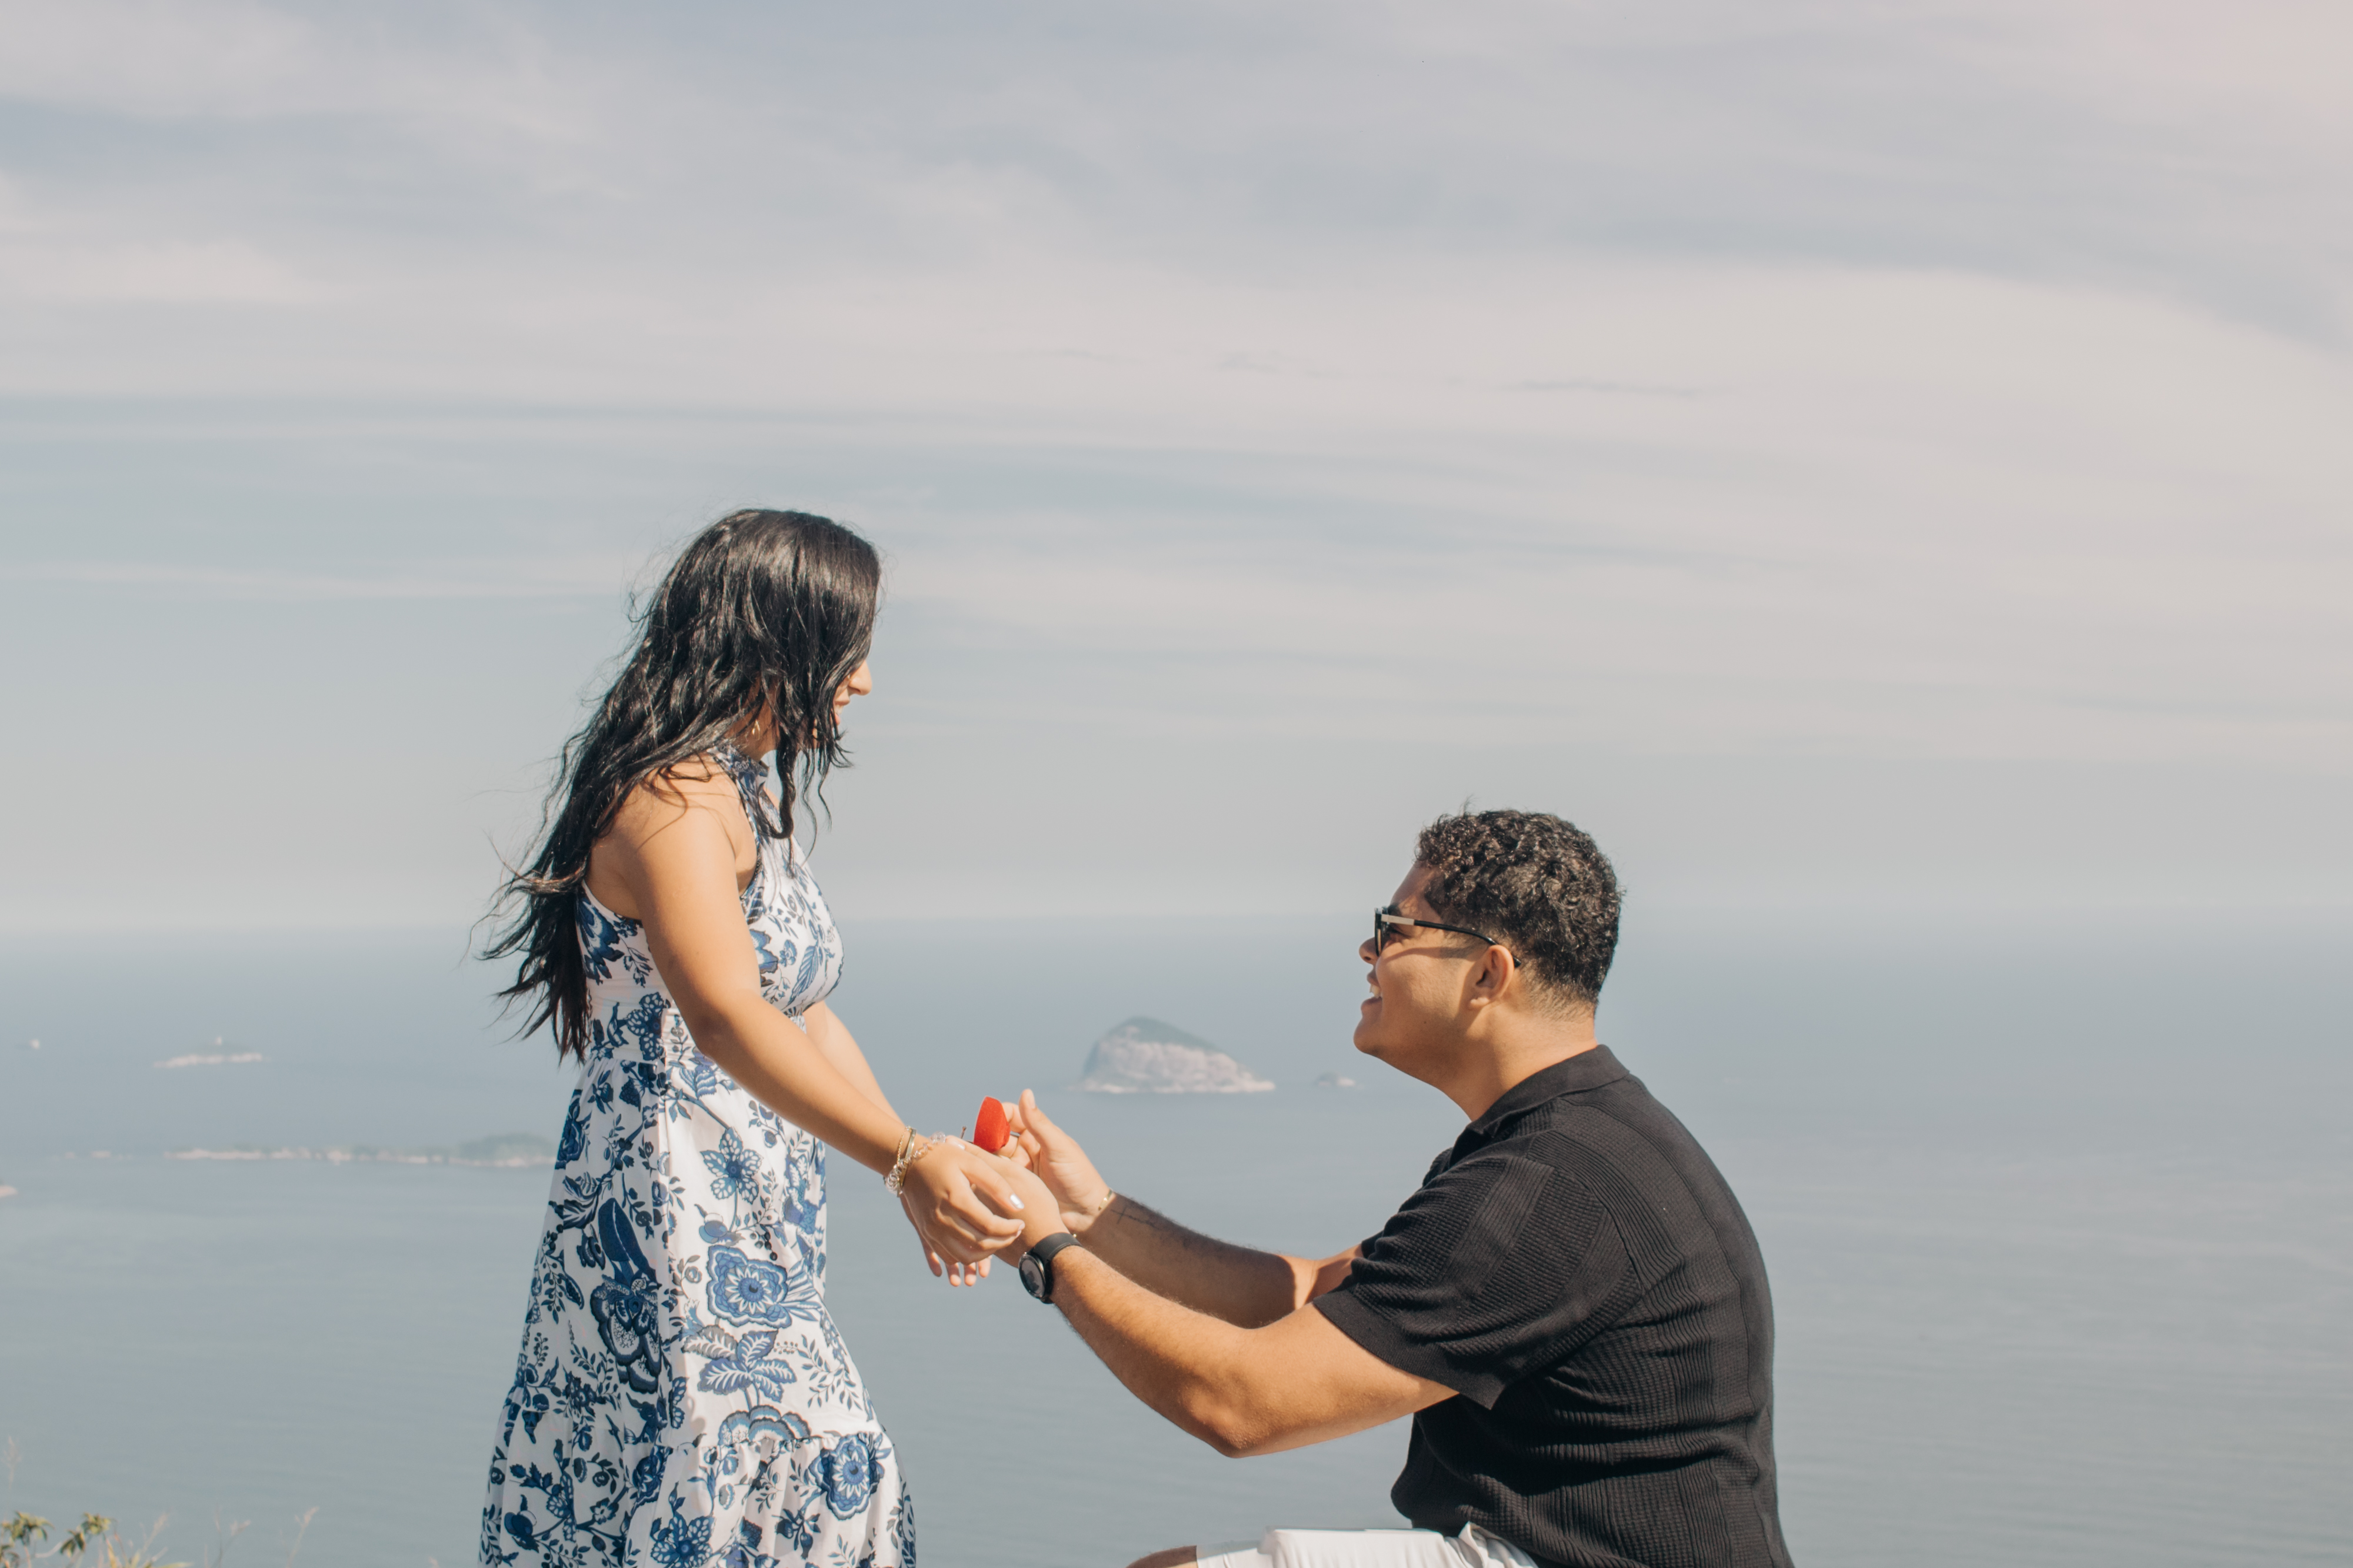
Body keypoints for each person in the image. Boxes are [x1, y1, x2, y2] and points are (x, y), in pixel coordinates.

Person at [994, 810, 1792, 1568]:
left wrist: (1047, 1254)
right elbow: (1309, 1291)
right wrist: (1091, 1216)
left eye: (1396, 929)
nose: (1367, 950)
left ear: (1488, 972)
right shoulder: (1567, 1141)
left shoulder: (1541, 1192)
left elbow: (1239, 1407)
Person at [478, 510, 1029, 1567]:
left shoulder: (737, 788)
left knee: (741, 1487)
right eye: (852, 649)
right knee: (783, 1469)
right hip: (673, 1199)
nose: (863, 682)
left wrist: (917, 1159)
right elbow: (727, 1011)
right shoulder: (669, 796)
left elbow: (805, 1010)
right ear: (782, 641)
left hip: (750, 1201)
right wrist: (906, 1161)